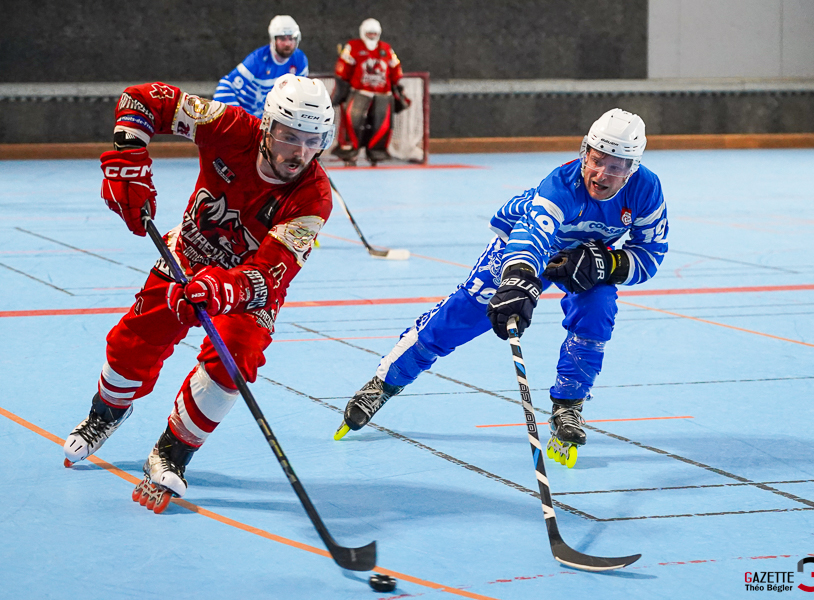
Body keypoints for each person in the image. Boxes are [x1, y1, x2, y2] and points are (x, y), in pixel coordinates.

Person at [334, 108, 669, 468]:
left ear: (632, 169)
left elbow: (650, 255)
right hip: (524, 248)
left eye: (616, 166)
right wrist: (519, 280)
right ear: (585, 151)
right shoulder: (561, 185)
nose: (601, 173)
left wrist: (609, 264)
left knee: (599, 313)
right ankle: (384, 383)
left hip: (585, 258)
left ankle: (569, 407)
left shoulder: (646, 190)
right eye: (596, 158)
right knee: (457, 319)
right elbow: (531, 237)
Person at [63, 74, 335, 513]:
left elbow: (268, 277)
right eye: (290, 137)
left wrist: (217, 289)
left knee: (236, 356)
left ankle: (173, 450)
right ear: (267, 127)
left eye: (313, 140)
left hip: (242, 290)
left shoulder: (315, 198)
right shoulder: (229, 126)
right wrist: (128, 156)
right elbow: (144, 99)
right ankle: (106, 414)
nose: (300, 153)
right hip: (185, 255)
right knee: (132, 343)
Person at [332, 18, 410, 166]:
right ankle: (349, 152)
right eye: (369, 33)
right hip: (359, 92)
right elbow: (343, 69)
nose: (372, 36)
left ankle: (377, 152)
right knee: (351, 122)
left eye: (374, 33)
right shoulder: (353, 46)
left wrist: (394, 85)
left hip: (383, 94)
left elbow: (395, 70)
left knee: (383, 125)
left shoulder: (386, 49)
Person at [214, 15, 310, 118]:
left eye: (292, 38)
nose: (287, 43)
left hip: (271, 119)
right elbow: (225, 86)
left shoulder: (300, 60)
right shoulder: (257, 60)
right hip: (249, 117)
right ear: (273, 40)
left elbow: (300, 97)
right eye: (282, 39)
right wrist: (238, 118)